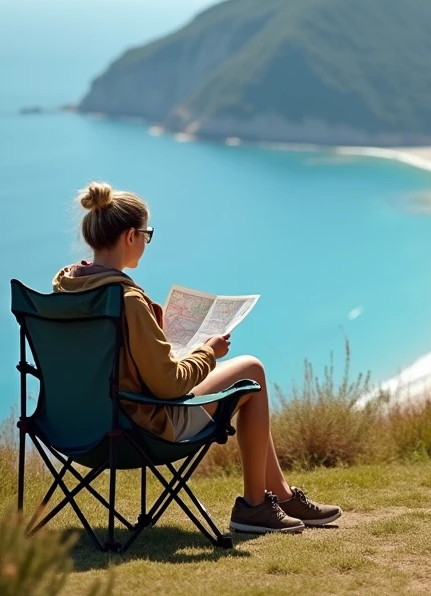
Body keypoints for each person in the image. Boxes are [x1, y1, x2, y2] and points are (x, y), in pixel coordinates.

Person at [52, 181, 342, 534]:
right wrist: (208, 352)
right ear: (130, 236)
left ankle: (279, 495)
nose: (146, 241)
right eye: (146, 234)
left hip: (74, 428)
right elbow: (169, 385)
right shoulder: (125, 300)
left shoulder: (66, 291)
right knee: (252, 371)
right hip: (141, 427)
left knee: (241, 374)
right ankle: (255, 506)